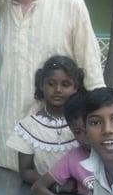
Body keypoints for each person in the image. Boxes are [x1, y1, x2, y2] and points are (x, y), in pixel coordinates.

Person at [0, 0, 105, 172]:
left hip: (57, 156)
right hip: (3, 149)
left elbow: (93, 77)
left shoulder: (71, 6)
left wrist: (100, 135)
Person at [6, 55, 84, 184]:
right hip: (44, 193)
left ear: (75, 87)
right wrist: (55, 186)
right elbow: (26, 171)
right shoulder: (28, 127)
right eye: (51, 84)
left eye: (65, 84)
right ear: (42, 85)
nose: (58, 90)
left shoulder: (84, 122)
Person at [31, 92, 94, 195]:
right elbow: (37, 188)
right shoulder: (73, 158)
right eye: (77, 132)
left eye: (89, 129)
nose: (85, 137)